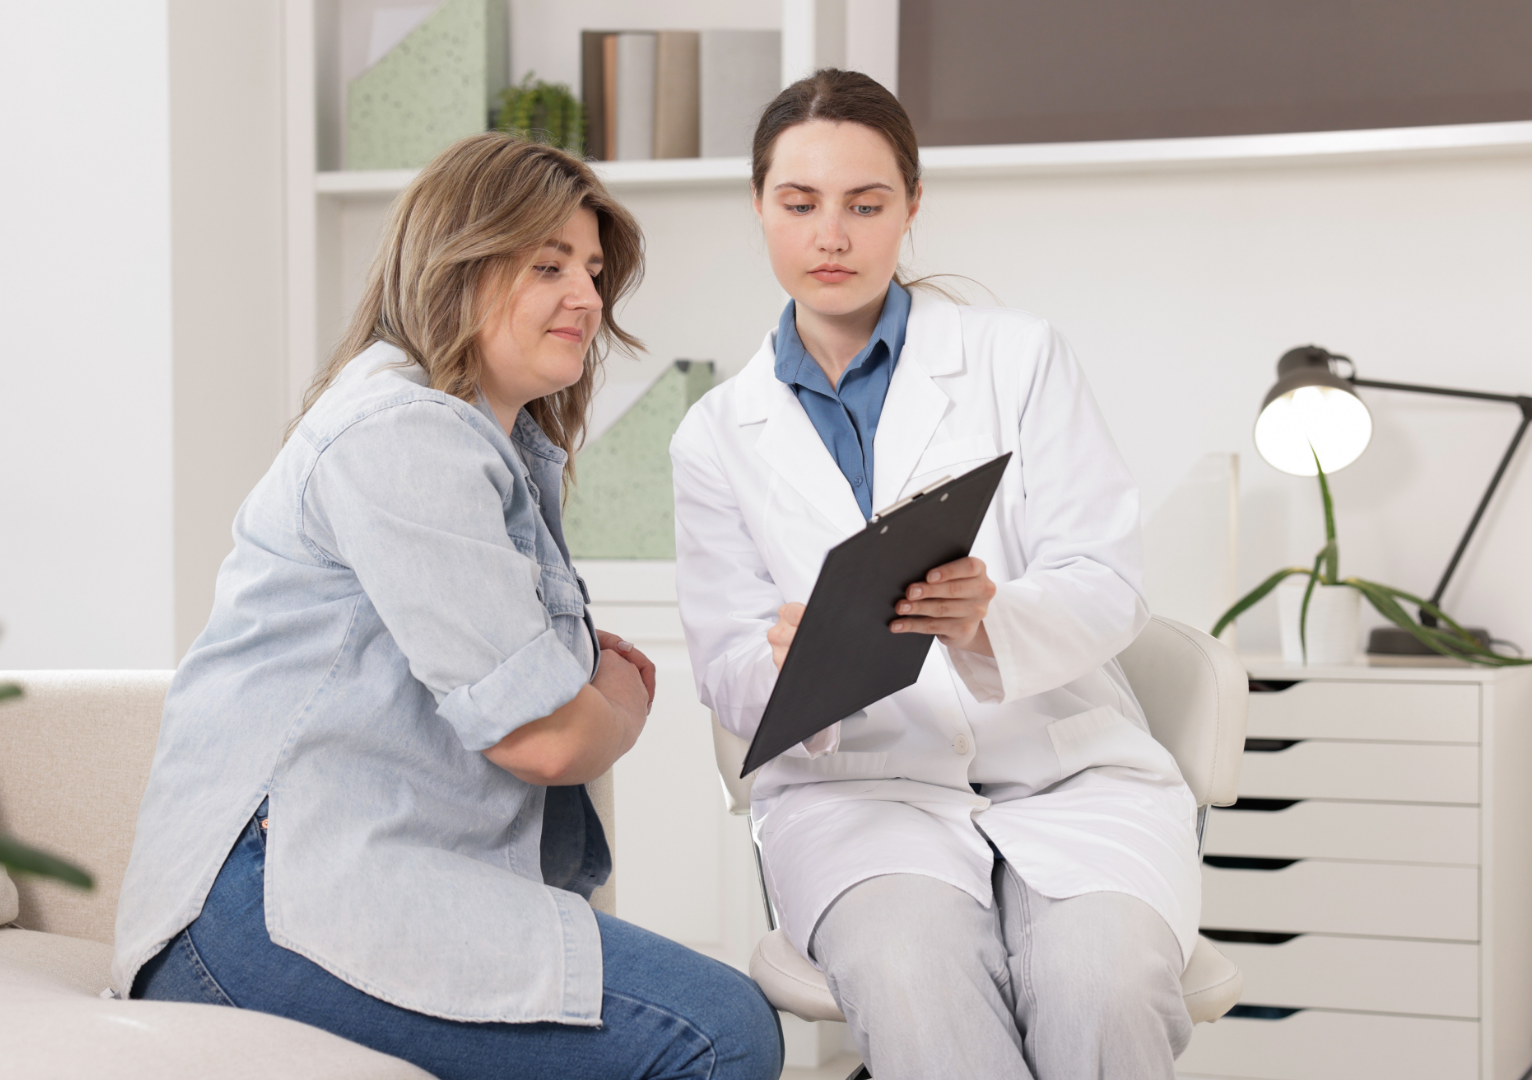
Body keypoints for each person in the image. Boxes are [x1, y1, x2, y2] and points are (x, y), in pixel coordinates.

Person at [114, 132, 782, 1080]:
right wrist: (621, 702)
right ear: (455, 263)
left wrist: (585, 691)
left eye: (592, 269)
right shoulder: (401, 433)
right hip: (258, 906)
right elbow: (549, 738)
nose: (589, 298)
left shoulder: (478, 441)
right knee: (719, 1033)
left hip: (340, 877)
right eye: (548, 265)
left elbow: (548, 697)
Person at [672, 70, 1199, 1079]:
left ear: (911, 207)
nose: (833, 235)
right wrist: (789, 661)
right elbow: (726, 665)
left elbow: (1108, 578)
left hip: (1069, 776)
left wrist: (990, 618)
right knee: (920, 990)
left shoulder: (1019, 358)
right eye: (800, 204)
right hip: (857, 798)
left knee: (1107, 987)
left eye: (866, 205)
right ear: (759, 209)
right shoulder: (715, 436)